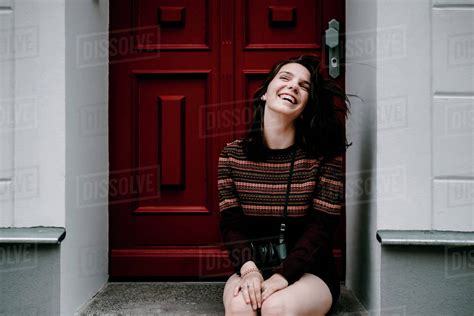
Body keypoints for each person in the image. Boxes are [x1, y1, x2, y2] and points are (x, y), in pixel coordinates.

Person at [217, 55, 349, 316]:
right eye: (285, 78)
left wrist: (282, 277)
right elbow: (231, 225)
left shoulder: (324, 158)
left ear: (306, 106)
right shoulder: (232, 155)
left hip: (310, 271)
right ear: (265, 93)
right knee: (241, 308)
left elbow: (321, 229)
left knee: (275, 308)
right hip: (252, 267)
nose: (293, 86)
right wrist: (250, 271)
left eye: (304, 86)